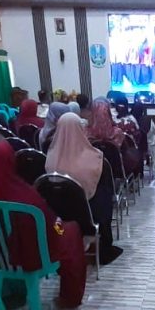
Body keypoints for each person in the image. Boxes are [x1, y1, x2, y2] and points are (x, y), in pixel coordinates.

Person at [0, 142, 87, 307]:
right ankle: (70, 297)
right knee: (70, 229)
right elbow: (49, 224)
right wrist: (59, 227)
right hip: (35, 256)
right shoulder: (23, 195)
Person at [46, 113, 123, 264]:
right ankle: (104, 245)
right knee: (103, 195)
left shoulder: (49, 158)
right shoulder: (96, 159)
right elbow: (107, 193)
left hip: (58, 222)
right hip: (88, 221)